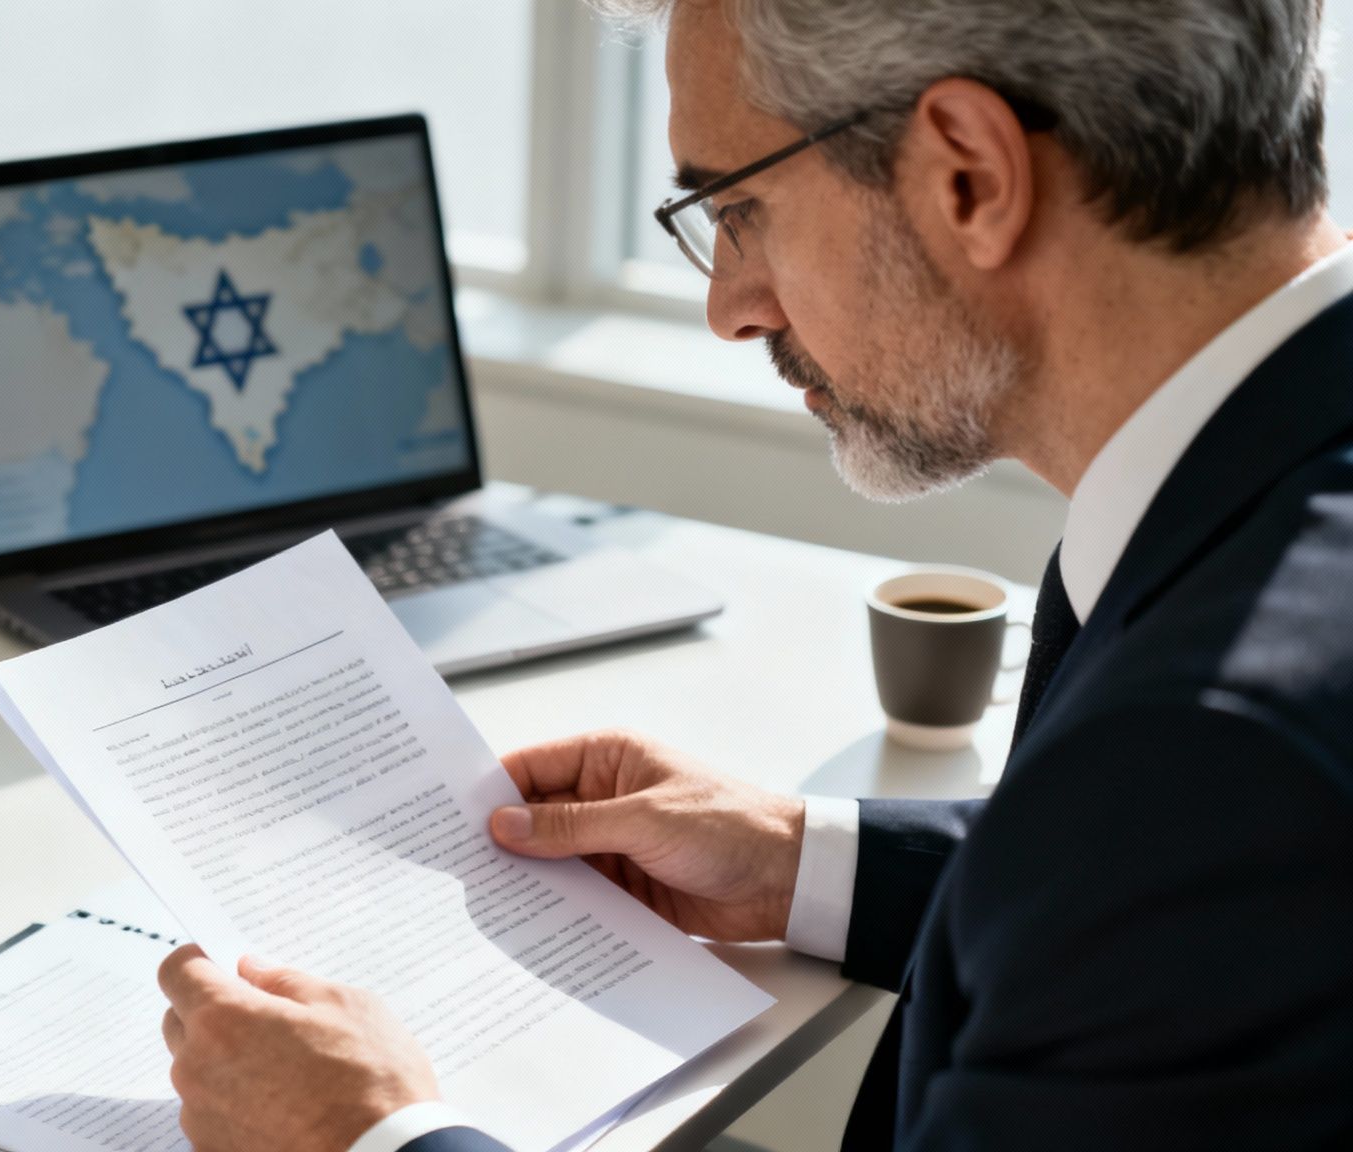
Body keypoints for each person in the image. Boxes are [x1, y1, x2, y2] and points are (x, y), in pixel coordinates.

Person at [155, 0, 1353, 1148]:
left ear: (968, 178)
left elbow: (1181, 848)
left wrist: (370, 1138)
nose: (729, 307)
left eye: (735, 210)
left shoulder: (1215, 749)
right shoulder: (1253, 523)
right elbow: (1156, 931)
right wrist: (800, 859)